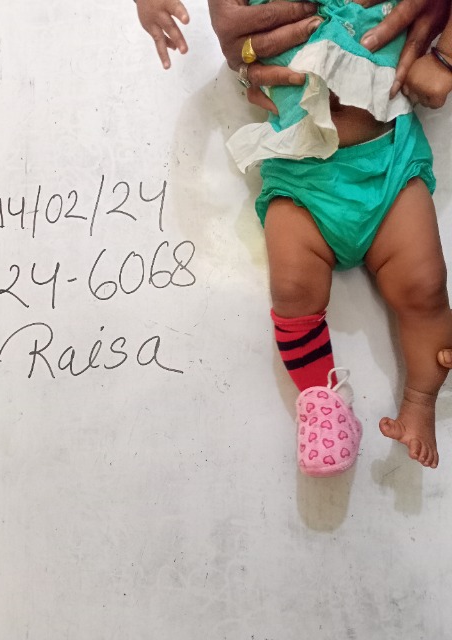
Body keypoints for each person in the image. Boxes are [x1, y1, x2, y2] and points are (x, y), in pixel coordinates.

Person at [136, 0, 452, 476]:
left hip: (389, 163)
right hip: (300, 173)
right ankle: (322, 402)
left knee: (425, 287)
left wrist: (446, 55)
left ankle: (420, 401)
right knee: (291, 290)